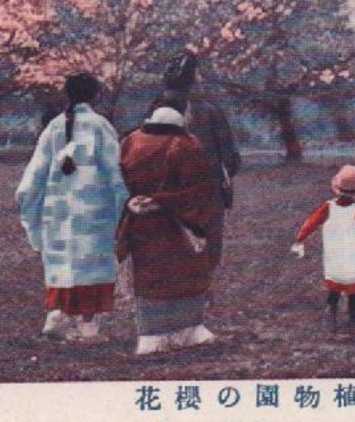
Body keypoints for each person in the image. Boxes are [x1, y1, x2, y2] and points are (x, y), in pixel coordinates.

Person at [15, 73, 128, 342]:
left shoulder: (53, 128)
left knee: (61, 262)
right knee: (91, 264)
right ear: (95, 95)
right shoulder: (101, 126)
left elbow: (33, 178)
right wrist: (124, 204)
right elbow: (116, 172)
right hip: (95, 213)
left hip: (58, 213)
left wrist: (30, 209)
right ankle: (87, 326)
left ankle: (55, 314)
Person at [115, 106, 220, 355]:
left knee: (149, 278)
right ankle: (188, 331)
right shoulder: (188, 144)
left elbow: (116, 181)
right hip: (177, 224)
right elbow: (200, 188)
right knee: (186, 275)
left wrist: (131, 202)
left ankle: (151, 336)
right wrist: (164, 200)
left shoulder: (130, 141)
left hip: (142, 224)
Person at [159, 50, 241, 266]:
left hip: (166, 193)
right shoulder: (211, 112)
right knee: (208, 254)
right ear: (194, 77)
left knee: (174, 253)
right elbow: (230, 159)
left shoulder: (155, 109)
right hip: (207, 193)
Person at [290, 164, 355, 332]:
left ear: (337, 187)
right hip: (354, 259)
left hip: (335, 257)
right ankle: (352, 320)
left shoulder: (328, 207)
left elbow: (311, 223)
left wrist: (300, 240)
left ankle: (331, 313)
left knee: (335, 287)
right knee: (354, 291)